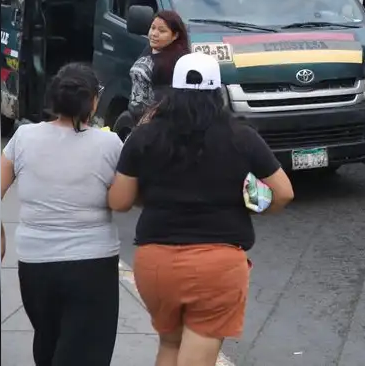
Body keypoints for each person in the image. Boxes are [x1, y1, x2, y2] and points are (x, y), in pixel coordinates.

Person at [108, 53, 294, 366]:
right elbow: (283, 193)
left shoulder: (145, 135)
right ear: (217, 91)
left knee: (169, 345)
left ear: (172, 91)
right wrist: (253, 206)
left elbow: (120, 201)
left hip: (156, 262)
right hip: (217, 265)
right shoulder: (241, 136)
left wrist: (153, 196)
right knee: (200, 350)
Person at [0, 63, 124, 366]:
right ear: (93, 100)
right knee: (86, 350)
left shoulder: (24, 137)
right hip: (92, 265)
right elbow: (124, 199)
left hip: (35, 264)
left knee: (48, 340)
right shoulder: (109, 143)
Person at [127, 10, 192, 120]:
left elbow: (168, 100)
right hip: (136, 117)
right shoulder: (151, 49)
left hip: (155, 123)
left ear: (175, 35)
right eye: (152, 28)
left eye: (162, 31)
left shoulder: (177, 63)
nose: (154, 34)